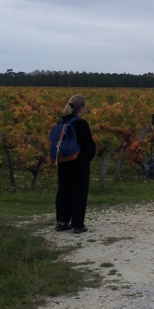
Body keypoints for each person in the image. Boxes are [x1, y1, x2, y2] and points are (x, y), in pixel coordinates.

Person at [55, 95, 96, 234]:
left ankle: (62, 221)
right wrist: (90, 156)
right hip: (79, 162)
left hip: (63, 161)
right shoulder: (81, 123)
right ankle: (78, 224)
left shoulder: (61, 122)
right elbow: (89, 145)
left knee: (63, 190)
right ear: (80, 108)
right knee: (79, 191)